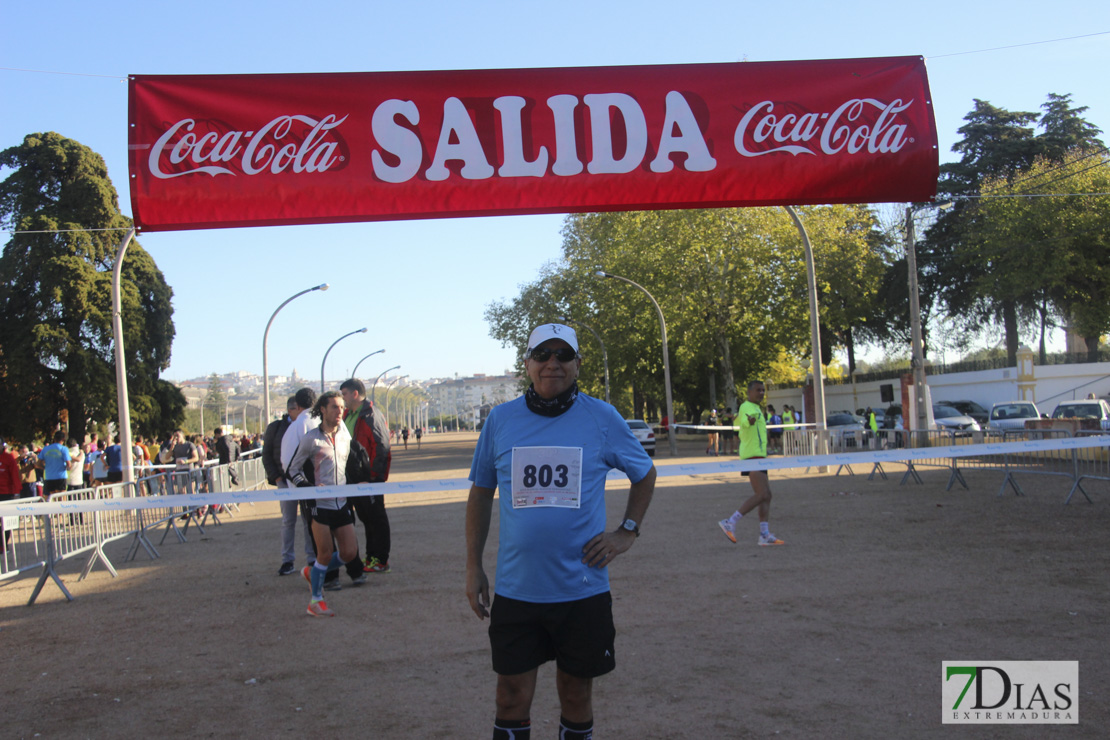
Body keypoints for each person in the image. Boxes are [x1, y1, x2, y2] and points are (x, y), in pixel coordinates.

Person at [466, 323, 657, 740]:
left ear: (577, 364)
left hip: (581, 589)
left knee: (575, 696)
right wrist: (473, 567)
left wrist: (627, 531)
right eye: (542, 355)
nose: (552, 363)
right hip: (517, 589)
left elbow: (644, 474)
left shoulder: (602, 417)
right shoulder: (500, 420)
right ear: (527, 364)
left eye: (563, 355)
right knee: (510, 696)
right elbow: (480, 494)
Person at [287, 391, 367, 616]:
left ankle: (312, 573)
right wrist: (308, 488)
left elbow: (348, 466)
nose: (340, 411)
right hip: (318, 504)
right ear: (323, 409)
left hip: (341, 503)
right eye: (334, 407)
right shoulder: (311, 438)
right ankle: (316, 601)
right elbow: (292, 470)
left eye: (342, 407)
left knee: (349, 553)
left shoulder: (344, 435)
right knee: (324, 553)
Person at [718, 380, 785, 547]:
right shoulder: (747, 407)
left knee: (767, 495)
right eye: (758, 390)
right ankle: (730, 522)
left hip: (760, 456)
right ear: (749, 392)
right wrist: (750, 421)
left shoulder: (757, 408)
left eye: (763, 390)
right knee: (762, 494)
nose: (761, 393)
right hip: (752, 456)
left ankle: (764, 534)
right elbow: (746, 421)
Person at [339, 378, 393, 574]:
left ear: (354, 393)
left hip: (369, 478)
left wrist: (373, 477)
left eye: (344, 394)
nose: (342, 398)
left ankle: (380, 559)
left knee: (376, 517)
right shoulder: (347, 415)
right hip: (351, 477)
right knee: (365, 518)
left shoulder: (371, 415)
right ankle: (371, 557)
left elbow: (382, 447)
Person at [265, 396, 314, 576]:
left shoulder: (306, 423)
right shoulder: (276, 428)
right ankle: (287, 560)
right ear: (290, 410)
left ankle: (312, 557)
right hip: (285, 482)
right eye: (296, 410)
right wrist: (277, 478)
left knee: (309, 520)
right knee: (288, 521)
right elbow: (267, 455)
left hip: (305, 482)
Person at [37, 431, 73, 499]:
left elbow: (38, 463)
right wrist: (68, 468)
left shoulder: (45, 449)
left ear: (54, 439)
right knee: (62, 498)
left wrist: (45, 468)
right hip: (60, 476)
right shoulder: (64, 449)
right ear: (63, 439)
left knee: (49, 498)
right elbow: (69, 464)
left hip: (49, 476)